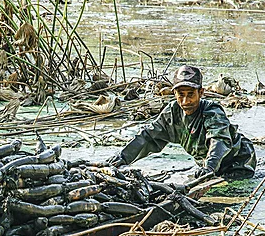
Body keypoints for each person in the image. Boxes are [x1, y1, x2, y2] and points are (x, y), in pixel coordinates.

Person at [108, 65, 256, 178]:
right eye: (181, 95)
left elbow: (219, 141)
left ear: (201, 93)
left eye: (191, 94)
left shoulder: (212, 111)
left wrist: (209, 168)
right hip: (206, 165)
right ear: (174, 94)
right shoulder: (172, 113)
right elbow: (148, 137)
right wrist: (122, 157)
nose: (185, 101)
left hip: (238, 162)